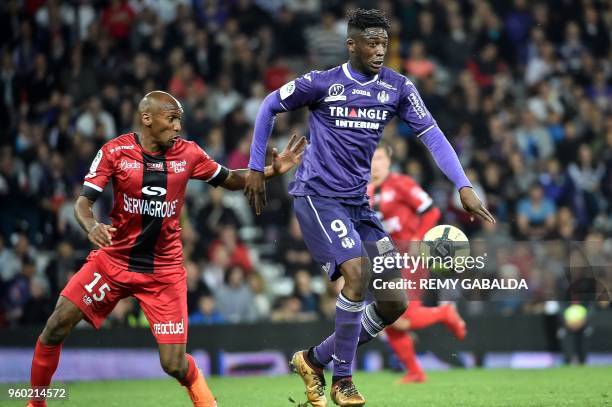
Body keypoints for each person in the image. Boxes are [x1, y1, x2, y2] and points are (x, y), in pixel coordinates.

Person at [245, 8, 495, 407]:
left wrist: (462, 184)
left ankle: (313, 359)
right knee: (357, 273)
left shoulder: (397, 87)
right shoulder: (323, 83)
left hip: (358, 205)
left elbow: (432, 135)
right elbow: (268, 107)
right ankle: (343, 381)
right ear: (352, 45)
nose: (380, 50)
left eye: (384, 42)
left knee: (395, 302)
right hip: (318, 196)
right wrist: (256, 167)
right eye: (372, 43)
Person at [26, 90, 305, 407]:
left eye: (179, 121)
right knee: (56, 325)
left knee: (173, 363)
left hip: (164, 271)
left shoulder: (189, 154)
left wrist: (270, 171)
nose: (177, 127)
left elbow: (229, 179)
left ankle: (207, 402)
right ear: (147, 118)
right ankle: (35, 403)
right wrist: (91, 226)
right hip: (114, 261)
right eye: (171, 119)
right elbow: (82, 202)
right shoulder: (115, 151)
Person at [368, 143, 466, 384]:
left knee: (406, 313)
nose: (375, 163)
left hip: (409, 257)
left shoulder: (401, 184)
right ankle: (414, 371)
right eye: (371, 158)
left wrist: (417, 238)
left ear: (388, 161)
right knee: (389, 319)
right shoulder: (365, 192)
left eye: (380, 158)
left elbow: (430, 211)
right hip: (383, 260)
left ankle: (444, 312)